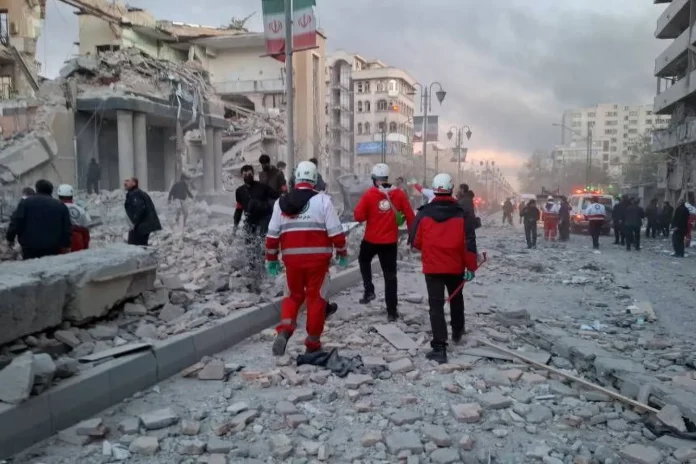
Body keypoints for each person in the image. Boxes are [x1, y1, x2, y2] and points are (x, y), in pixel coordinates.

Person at [265, 161, 346, 355]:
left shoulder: (280, 203)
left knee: (293, 296)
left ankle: (285, 330)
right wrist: (342, 253)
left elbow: (272, 236)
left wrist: (272, 259)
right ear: (315, 179)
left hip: (292, 262)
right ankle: (312, 343)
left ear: (296, 179)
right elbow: (336, 233)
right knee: (316, 298)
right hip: (318, 263)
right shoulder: (323, 201)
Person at [409, 173, 478, 364]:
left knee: (436, 306)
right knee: (456, 298)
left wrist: (431, 248)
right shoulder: (462, 213)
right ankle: (457, 331)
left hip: (433, 267)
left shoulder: (424, 213)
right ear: (451, 189)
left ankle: (440, 348)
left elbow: (415, 241)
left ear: (434, 189)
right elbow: (469, 242)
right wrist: (471, 267)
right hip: (455, 266)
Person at [354, 163, 415, 321]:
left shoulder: (369, 194)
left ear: (375, 179)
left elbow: (358, 216)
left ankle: (369, 290)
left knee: (363, 260)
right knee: (390, 277)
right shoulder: (399, 194)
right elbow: (410, 216)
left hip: (371, 240)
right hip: (389, 243)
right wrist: (412, 236)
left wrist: (371, 213)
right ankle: (392, 312)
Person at [6, 179, 72, 259]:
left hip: (30, 247)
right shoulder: (61, 206)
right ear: (51, 191)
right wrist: (66, 245)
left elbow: (16, 221)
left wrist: (10, 238)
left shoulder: (25, 203)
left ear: (37, 189)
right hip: (52, 247)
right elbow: (66, 228)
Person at [234, 165, 279, 280]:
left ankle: (265, 268)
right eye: (245, 175)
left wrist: (266, 205)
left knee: (261, 241)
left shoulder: (262, 187)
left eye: (249, 174)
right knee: (249, 244)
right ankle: (252, 268)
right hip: (250, 219)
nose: (247, 176)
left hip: (264, 218)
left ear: (253, 174)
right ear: (242, 176)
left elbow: (276, 197)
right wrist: (235, 226)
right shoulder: (239, 191)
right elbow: (239, 209)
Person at [124, 177, 162, 246]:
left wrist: (134, 223)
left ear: (134, 183)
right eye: (125, 181)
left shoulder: (134, 193)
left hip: (142, 226)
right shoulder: (137, 192)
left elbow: (140, 208)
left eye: (127, 181)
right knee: (141, 245)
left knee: (134, 246)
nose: (125, 183)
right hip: (144, 225)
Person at [57, 184, 91, 252]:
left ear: (59, 196)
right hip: (78, 241)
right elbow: (85, 230)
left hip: (62, 242)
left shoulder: (56, 208)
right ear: (72, 196)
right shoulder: (80, 209)